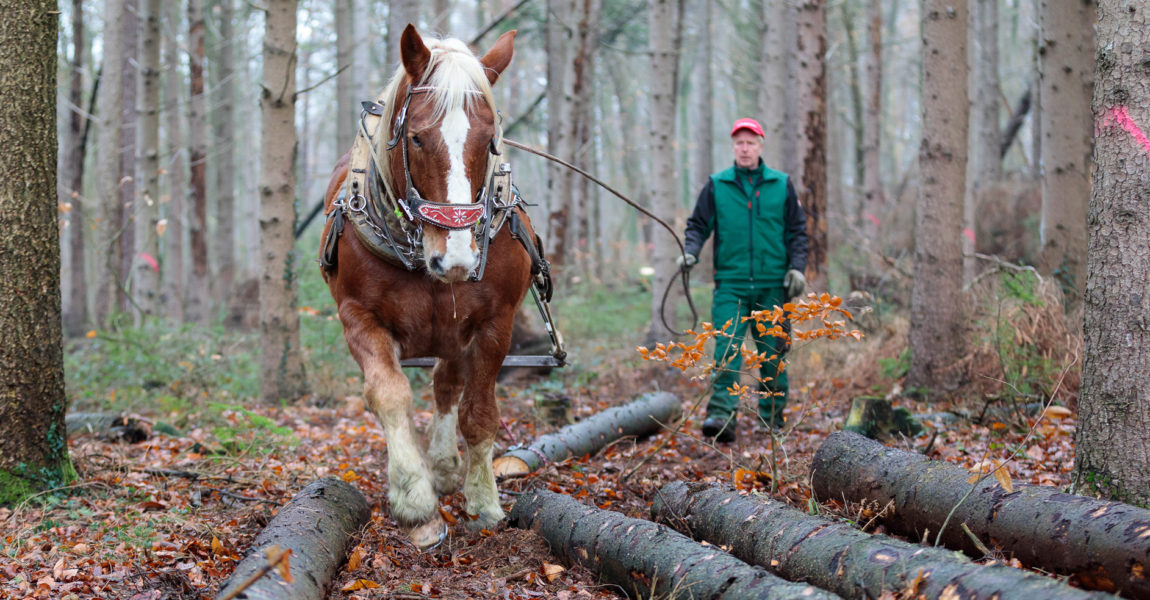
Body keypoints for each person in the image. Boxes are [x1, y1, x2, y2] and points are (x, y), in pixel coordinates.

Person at [678, 117, 809, 443]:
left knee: (773, 354)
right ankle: (721, 418)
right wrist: (691, 252)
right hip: (731, 285)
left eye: (750, 142)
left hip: (772, 286)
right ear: (733, 147)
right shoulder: (717, 185)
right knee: (726, 350)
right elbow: (697, 225)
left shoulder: (781, 185)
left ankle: (773, 422)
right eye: (739, 142)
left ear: (761, 146)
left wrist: (797, 268)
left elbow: (797, 233)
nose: (745, 148)